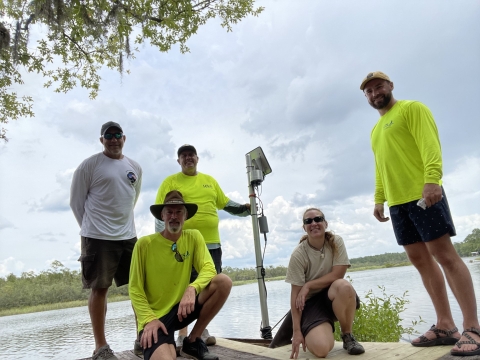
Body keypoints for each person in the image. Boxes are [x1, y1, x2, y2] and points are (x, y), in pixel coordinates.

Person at [362, 71, 480, 356]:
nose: (374, 93)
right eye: (368, 91)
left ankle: (473, 328)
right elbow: (381, 166)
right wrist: (379, 199)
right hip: (398, 203)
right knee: (419, 260)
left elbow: (429, 144)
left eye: (379, 87)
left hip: (423, 193)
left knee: (444, 255)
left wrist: (432, 179)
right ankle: (444, 325)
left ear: (390, 86)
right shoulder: (375, 131)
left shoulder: (412, 109)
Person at [154, 144, 249, 350]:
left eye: (191, 155)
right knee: (183, 287)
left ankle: (199, 333)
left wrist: (244, 210)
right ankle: (182, 334)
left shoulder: (209, 181)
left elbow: (225, 203)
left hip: (212, 244)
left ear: (197, 158)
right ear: (178, 161)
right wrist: (164, 242)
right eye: (183, 156)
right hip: (183, 244)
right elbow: (162, 213)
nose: (188, 158)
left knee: (211, 286)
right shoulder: (170, 182)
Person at [129, 190, 232, 360]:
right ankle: (165, 342)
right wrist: (148, 319)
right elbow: (134, 289)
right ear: (162, 216)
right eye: (169, 212)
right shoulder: (144, 245)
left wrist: (192, 288)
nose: (174, 216)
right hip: (156, 318)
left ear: (185, 216)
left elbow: (209, 268)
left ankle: (192, 341)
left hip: (181, 311)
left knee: (223, 282)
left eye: (179, 212)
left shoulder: (193, 237)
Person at [70, 121, 142, 360]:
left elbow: (132, 199)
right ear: (101, 140)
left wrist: (121, 227)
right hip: (97, 237)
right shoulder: (88, 166)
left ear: (124, 138)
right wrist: (91, 230)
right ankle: (101, 347)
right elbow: (76, 203)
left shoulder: (135, 167)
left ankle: (143, 338)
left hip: (128, 236)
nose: (113, 139)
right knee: (99, 289)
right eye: (108, 136)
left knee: (138, 286)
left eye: (117, 135)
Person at [285, 208, 365, 358]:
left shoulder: (336, 242)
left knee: (344, 286)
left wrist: (308, 285)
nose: (313, 223)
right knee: (322, 350)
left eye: (318, 219)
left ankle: (347, 336)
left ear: (325, 223)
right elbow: (296, 296)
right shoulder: (298, 255)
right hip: (311, 305)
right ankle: (320, 329)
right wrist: (297, 332)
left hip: (333, 295)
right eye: (308, 221)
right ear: (304, 228)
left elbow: (338, 274)